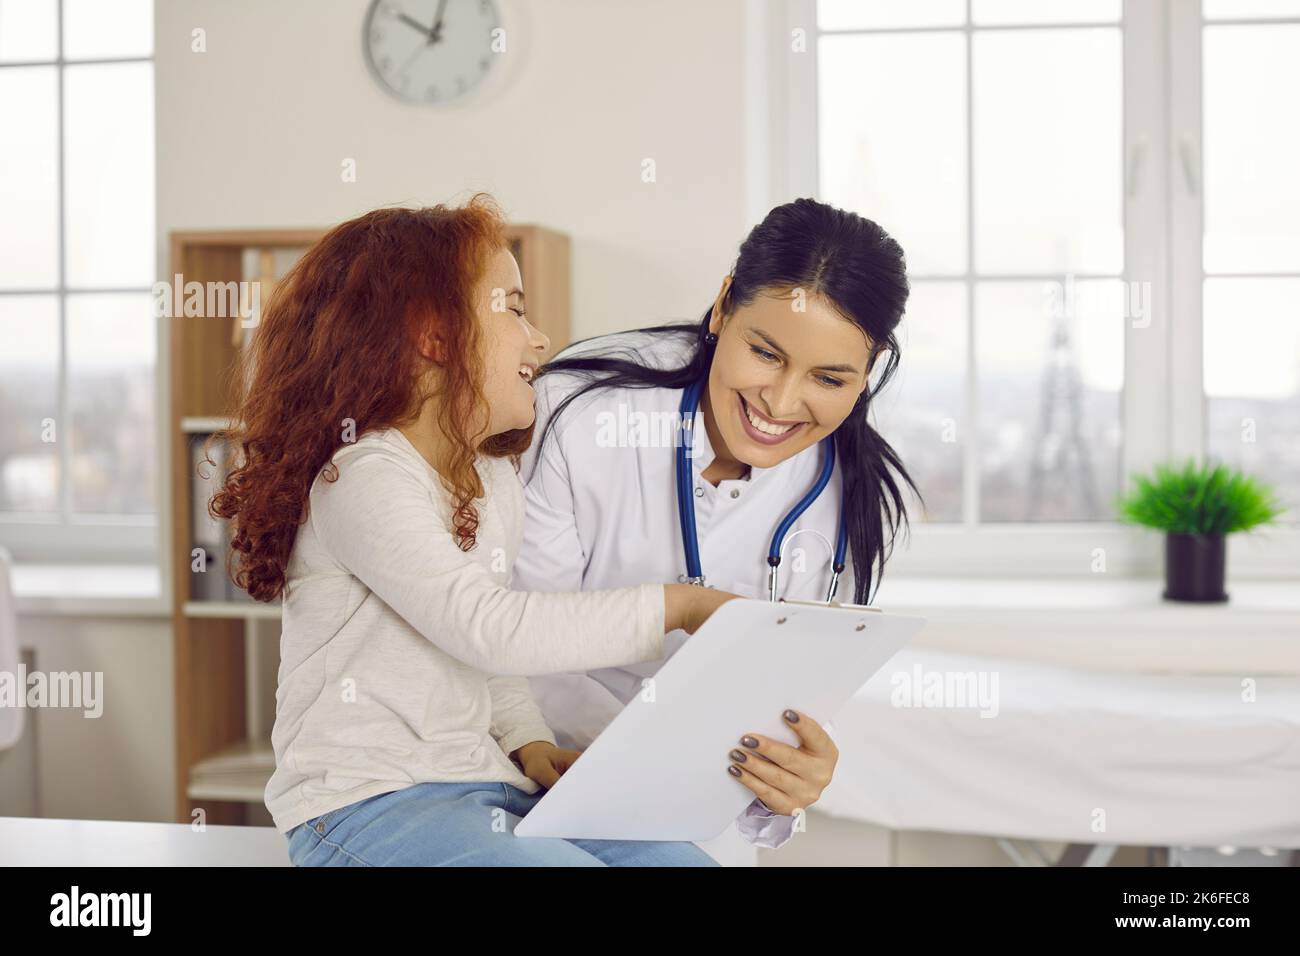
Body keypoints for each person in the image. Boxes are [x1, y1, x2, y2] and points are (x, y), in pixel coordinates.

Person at [210, 196, 735, 866]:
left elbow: (486, 658)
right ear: (435, 333)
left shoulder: (490, 478)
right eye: (513, 308)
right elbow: (485, 625)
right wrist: (681, 605)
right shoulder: (362, 476)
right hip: (364, 805)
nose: (538, 338)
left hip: (487, 785)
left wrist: (527, 742)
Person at [514, 197, 922, 864]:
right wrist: (653, 753)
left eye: (829, 377)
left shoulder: (850, 496)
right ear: (724, 304)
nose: (781, 403)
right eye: (765, 353)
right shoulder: (580, 413)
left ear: (868, 372)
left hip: (695, 809)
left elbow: (783, 705)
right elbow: (522, 641)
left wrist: (787, 779)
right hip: (534, 766)